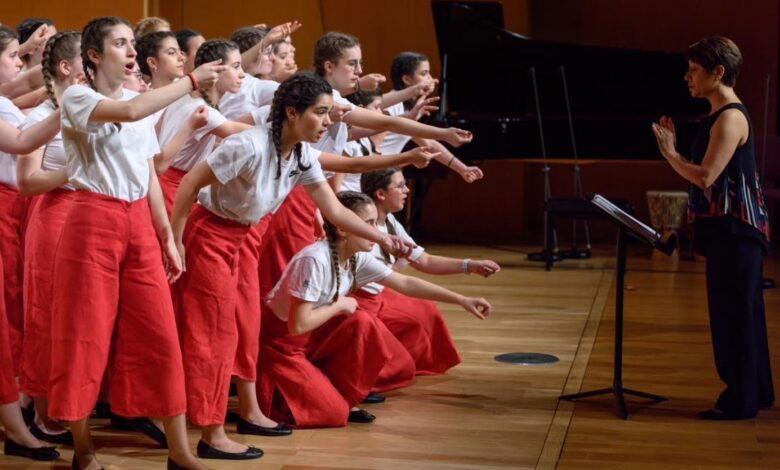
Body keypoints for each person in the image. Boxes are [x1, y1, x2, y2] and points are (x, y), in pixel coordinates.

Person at [48, 16, 223, 469]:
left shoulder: (140, 99)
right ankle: (84, 450)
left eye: (132, 43)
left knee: (162, 335)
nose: (130, 51)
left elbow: (148, 172)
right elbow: (128, 114)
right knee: (83, 336)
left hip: (138, 225)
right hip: (92, 220)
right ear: (92, 56)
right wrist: (189, 81)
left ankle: (180, 452)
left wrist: (166, 233)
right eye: (119, 44)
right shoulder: (78, 98)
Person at [258, 191, 491, 427]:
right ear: (343, 228)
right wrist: (339, 305)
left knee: (364, 324)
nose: (377, 233)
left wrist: (462, 299)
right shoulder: (315, 260)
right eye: (368, 224)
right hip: (281, 345)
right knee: (334, 414)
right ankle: (285, 396)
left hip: (309, 336)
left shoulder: (355, 256)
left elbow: (405, 283)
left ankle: (338, 393)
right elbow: (297, 325)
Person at [651, 36, 774, 420]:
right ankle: (756, 392)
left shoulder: (731, 117)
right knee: (742, 312)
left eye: (694, 70)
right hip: (732, 231)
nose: (687, 78)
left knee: (733, 316)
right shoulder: (719, 115)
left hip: (736, 231)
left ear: (718, 72)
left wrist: (671, 155)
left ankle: (741, 401)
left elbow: (705, 176)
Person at [357, 167, 500, 374]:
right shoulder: (363, 234)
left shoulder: (389, 221)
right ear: (380, 194)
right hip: (361, 302)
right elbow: (404, 283)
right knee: (399, 367)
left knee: (426, 311)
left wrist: (470, 265)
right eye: (400, 186)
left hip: (381, 293)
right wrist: (461, 299)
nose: (407, 190)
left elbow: (424, 260)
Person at [16, 30, 83, 448]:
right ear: (66, 68)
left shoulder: (93, 110)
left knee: (78, 319)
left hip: (90, 218)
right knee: (46, 317)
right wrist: (75, 172)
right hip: (54, 215)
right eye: (86, 63)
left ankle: (73, 402)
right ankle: (41, 410)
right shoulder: (36, 116)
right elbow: (27, 181)